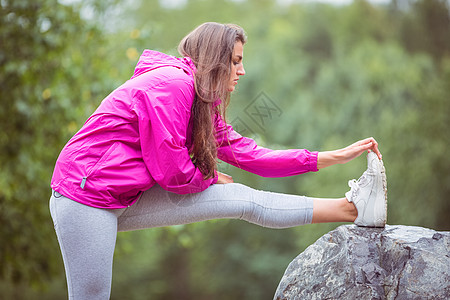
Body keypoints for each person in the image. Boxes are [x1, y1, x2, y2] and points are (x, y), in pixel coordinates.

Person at [49, 22, 387, 299]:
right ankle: (353, 208)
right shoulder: (172, 86)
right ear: (216, 59)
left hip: (120, 196)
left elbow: (253, 156)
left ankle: (352, 209)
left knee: (242, 199)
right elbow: (173, 173)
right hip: (85, 196)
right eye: (236, 61)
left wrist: (333, 157)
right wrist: (211, 178)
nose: (242, 70)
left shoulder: (199, 101)